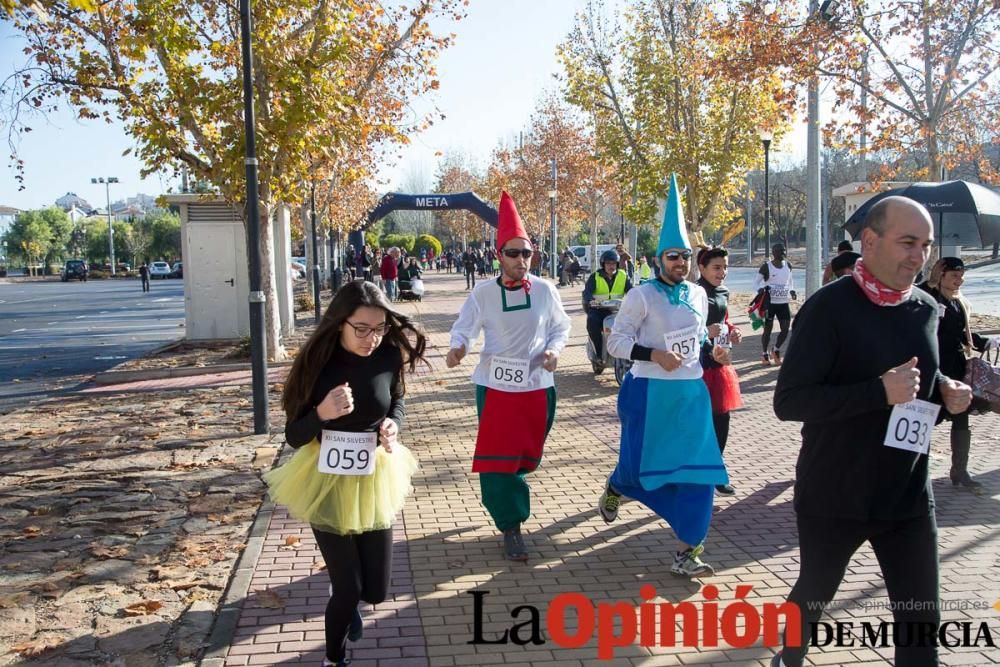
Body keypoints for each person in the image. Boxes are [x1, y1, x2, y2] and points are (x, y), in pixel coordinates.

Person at [769, 196, 973, 667]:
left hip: (906, 494)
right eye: (907, 243)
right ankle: (790, 655)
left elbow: (921, 378)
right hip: (835, 494)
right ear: (870, 241)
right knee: (815, 593)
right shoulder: (827, 309)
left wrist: (946, 390)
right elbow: (790, 402)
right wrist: (877, 393)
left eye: (925, 245)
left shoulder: (925, 307)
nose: (918, 257)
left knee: (922, 624)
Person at [263, 280, 427, 667]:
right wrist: (322, 414)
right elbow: (292, 435)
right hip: (325, 478)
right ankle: (334, 658)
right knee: (347, 587)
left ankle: (351, 604)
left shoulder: (387, 354)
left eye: (380, 328)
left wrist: (393, 424)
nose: (372, 338)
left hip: (375, 475)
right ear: (339, 323)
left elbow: (397, 399)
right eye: (362, 329)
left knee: (376, 592)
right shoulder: (317, 363)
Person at [598, 174, 729, 577]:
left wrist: (714, 353)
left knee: (700, 474)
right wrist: (653, 353)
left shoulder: (698, 294)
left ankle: (687, 551)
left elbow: (696, 344)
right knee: (640, 469)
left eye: (686, 257)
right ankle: (618, 485)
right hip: (648, 393)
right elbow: (615, 344)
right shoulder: (641, 295)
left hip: (690, 396)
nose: (681, 263)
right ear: (659, 259)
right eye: (673, 256)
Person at [446, 192, 571, 561]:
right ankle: (511, 525)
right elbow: (464, 328)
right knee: (498, 459)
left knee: (526, 456)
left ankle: (511, 495)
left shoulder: (547, 290)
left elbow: (561, 328)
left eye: (526, 253)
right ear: (499, 255)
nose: (521, 260)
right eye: (513, 253)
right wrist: (458, 348)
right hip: (496, 387)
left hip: (537, 386)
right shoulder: (483, 292)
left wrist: (554, 352)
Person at [917, 257, 999, 491]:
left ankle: (959, 471)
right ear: (940, 274)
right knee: (926, 419)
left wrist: (988, 343)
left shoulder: (956, 302)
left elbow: (962, 334)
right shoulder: (925, 297)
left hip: (955, 369)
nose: (959, 281)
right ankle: (914, 472)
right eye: (954, 276)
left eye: (961, 277)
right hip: (930, 371)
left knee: (961, 419)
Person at [696, 246, 743, 496]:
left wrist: (732, 330)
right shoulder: (693, 292)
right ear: (701, 268)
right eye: (717, 267)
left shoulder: (723, 291)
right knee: (698, 424)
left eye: (725, 267)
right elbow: (684, 325)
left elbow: (724, 320)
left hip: (719, 366)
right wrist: (705, 332)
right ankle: (695, 475)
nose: (722, 272)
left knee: (721, 422)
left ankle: (716, 472)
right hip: (695, 367)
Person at [582, 250, 633, 361]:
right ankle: (599, 354)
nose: (611, 266)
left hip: (617, 310)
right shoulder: (595, 277)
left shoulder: (623, 276)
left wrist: (638, 299)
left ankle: (632, 352)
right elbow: (587, 292)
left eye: (614, 263)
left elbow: (632, 292)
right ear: (603, 264)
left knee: (635, 324)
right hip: (598, 310)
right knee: (592, 322)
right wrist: (590, 300)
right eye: (608, 263)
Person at [753, 243, 796, 365]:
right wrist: (760, 289)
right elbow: (755, 283)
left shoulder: (788, 265)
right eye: (780, 250)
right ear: (774, 252)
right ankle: (764, 354)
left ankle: (775, 349)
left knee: (785, 329)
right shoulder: (766, 267)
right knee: (768, 330)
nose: (783, 252)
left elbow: (790, 281)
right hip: (769, 304)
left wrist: (792, 290)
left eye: (784, 250)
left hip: (783, 303)